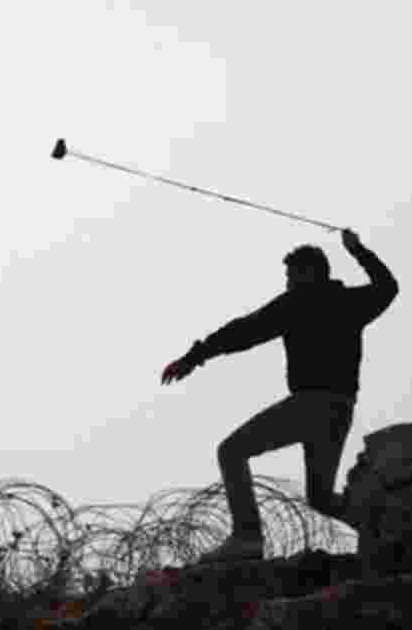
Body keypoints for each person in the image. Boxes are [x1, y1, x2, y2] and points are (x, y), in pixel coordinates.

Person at [161, 228, 398, 564]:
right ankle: (385, 529)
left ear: (308, 273)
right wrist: (358, 250)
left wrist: (193, 357)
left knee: (231, 451)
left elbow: (243, 331)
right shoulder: (352, 302)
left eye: (290, 275)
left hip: (310, 405)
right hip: (340, 410)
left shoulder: (297, 302)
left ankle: (247, 536)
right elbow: (389, 288)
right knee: (320, 498)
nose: (287, 282)